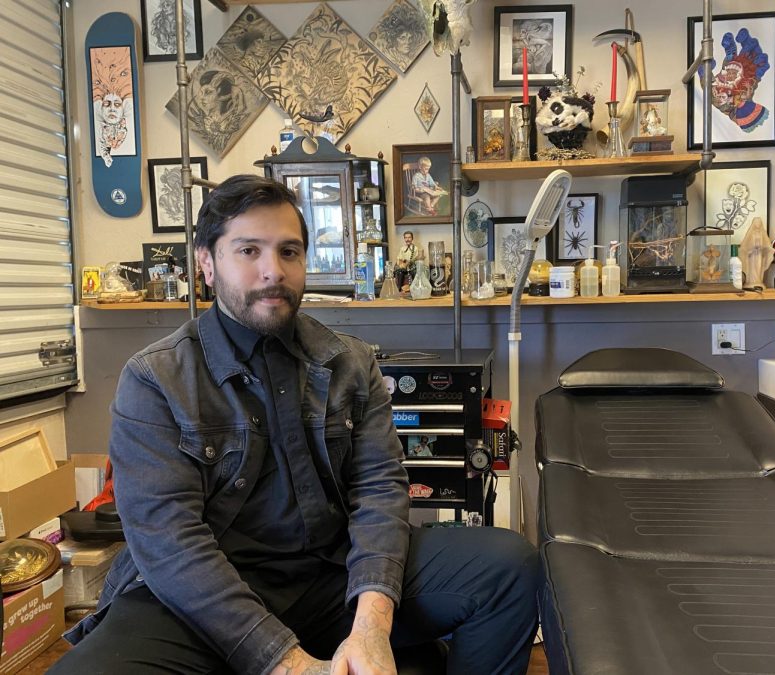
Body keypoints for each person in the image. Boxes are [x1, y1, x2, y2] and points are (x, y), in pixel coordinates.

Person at [52, 174, 539, 675]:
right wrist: (287, 662)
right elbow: (170, 544)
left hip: (331, 575)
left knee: (508, 566)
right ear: (206, 263)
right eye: (248, 251)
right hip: (201, 597)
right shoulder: (155, 379)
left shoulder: (350, 362)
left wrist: (371, 624)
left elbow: (378, 491)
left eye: (289, 251)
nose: (273, 271)